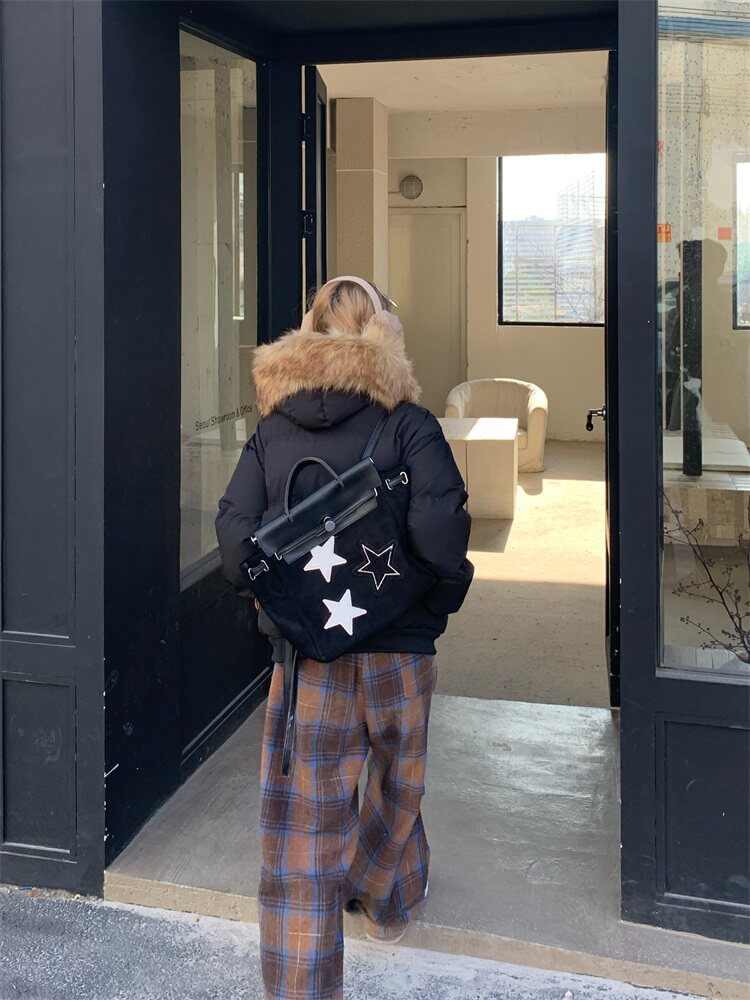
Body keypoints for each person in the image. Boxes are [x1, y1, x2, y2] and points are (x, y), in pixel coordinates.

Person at [215, 276, 473, 1000]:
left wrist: (282, 602)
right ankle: (384, 898)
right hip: (400, 653)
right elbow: (443, 535)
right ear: (383, 333)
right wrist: (435, 608)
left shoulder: (272, 431)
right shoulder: (410, 423)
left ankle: (301, 985)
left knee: (303, 825)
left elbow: (235, 544)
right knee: (400, 780)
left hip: (308, 660)